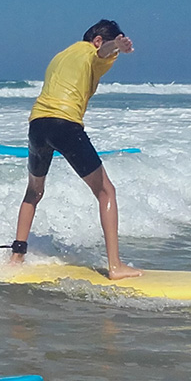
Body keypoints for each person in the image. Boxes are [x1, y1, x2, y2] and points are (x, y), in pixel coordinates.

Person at [10, 19, 142, 280]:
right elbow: (102, 53)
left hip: (37, 124)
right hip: (64, 124)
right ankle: (115, 266)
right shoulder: (92, 52)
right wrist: (116, 45)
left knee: (33, 191)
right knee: (106, 191)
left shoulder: (61, 55)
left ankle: (17, 257)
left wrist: (112, 44)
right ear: (97, 40)